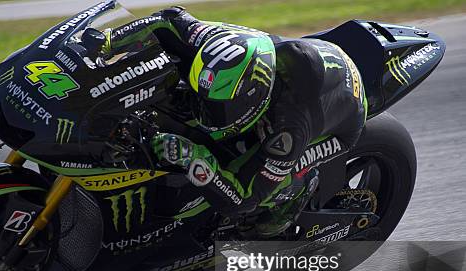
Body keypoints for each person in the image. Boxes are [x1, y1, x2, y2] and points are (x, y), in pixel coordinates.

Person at [100, 6, 367, 235]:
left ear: (256, 95)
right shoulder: (212, 40)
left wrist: (195, 158)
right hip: (302, 60)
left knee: (265, 189)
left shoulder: (290, 128)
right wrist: (110, 41)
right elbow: (167, 19)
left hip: (340, 121)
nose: (209, 117)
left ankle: (296, 195)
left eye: (222, 109)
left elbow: (243, 198)